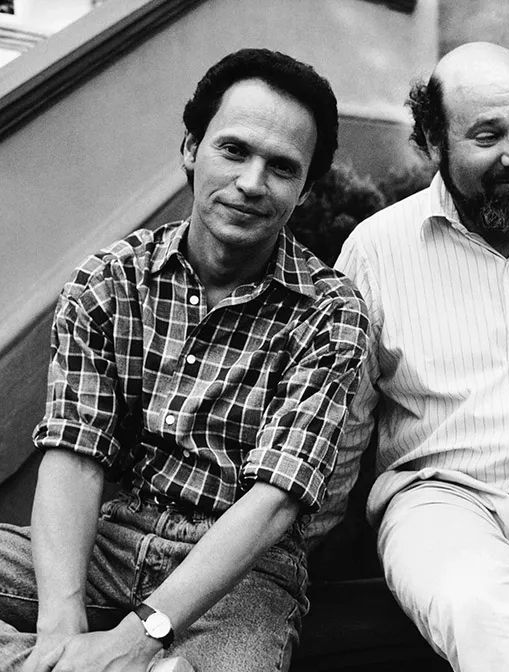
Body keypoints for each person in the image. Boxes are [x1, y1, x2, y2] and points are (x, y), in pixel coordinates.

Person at [0, 48, 368, 672]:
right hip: (113, 538)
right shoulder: (110, 281)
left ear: (305, 190)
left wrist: (136, 638)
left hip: (244, 573)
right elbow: (74, 453)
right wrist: (61, 631)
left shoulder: (329, 312)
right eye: (234, 150)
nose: (252, 183)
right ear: (191, 149)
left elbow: (274, 501)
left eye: (282, 167)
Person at [308, 41, 509, 672]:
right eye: (487, 136)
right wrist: (300, 553)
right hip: (439, 506)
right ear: (434, 143)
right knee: (477, 603)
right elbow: (344, 423)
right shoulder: (376, 251)